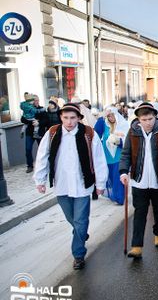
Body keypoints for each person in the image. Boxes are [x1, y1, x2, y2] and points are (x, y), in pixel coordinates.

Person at [33, 103, 108, 270]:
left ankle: (78, 254)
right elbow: (42, 156)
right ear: (61, 117)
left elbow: (99, 159)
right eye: (65, 118)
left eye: (72, 118)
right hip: (62, 184)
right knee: (72, 219)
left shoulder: (88, 133)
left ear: (79, 118)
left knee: (81, 220)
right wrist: (40, 180)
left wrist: (100, 183)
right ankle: (81, 233)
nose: (69, 122)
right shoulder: (52, 133)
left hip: (83, 184)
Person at [119, 102, 158, 259]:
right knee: (140, 212)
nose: (148, 122)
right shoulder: (133, 133)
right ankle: (137, 245)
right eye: (144, 119)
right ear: (139, 119)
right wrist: (124, 171)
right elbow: (126, 153)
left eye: (150, 119)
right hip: (139, 180)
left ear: (155, 117)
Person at [94, 107, 128, 205]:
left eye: (112, 115)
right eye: (108, 116)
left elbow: (127, 140)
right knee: (111, 178)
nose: (111, 117)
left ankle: (119, 198)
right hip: (107, 156)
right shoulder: (105, 125)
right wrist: (102, 117)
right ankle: (114, 195)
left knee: (118, 177)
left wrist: (119, 141)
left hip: (119, 156)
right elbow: (96, 133)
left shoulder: (122, 124)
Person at [21, 95, 46, 173]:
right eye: (35, 100)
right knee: (28, 149)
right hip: (29, 133)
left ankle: (43, 165)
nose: (36, 102)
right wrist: (31, 122)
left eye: (37, 100)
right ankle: (30, 166)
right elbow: (22, 119)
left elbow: (46, 120)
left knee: (42, 150)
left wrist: (39, 123)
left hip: (40, 132)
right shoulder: (28, 109)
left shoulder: (41, 109)